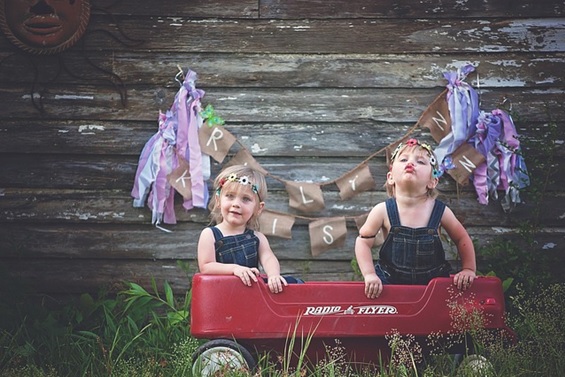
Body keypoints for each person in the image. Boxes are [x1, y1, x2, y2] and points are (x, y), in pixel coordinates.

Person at [355, 138, 477, 299]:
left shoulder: (440, 211)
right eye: (404, 159)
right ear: (390, 177)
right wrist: (369, 274)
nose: (410, 163)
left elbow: (461, 237)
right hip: (390, 284)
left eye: (420, 161)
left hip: (433, 285)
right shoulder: (382, 211)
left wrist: (469, 269)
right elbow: (363, 241)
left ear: (432, 181)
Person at [197, 165, 301, 293]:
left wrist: (274, 275)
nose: (236, 204)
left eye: (245, 199)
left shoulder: (257, 238)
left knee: (295, 283)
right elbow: (206, 266)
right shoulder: (210, 234)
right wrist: (235, 269)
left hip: (251, 294)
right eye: (230, 196)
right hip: (222, 294)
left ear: (258, 208)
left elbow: (269, 258)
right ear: (218, 200)